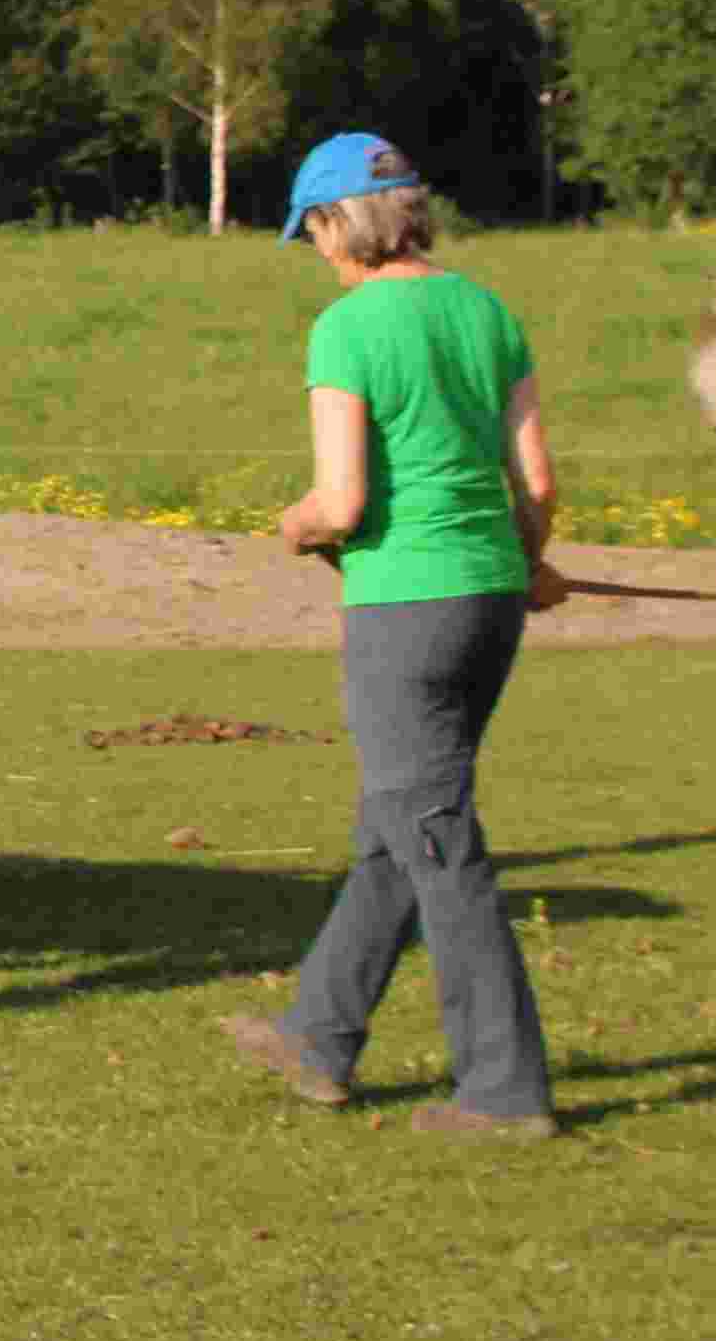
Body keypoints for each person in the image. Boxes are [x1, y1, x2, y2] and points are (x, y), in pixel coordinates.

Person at [228, 135, 571, 1133]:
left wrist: (296, 525)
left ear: (342, 222)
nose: (318, 255)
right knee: (400, 821)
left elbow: (342, 501)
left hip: (402, 610)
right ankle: (319, 1033)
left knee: (436, 838)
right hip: (490, 604)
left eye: (316, 235)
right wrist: (529, 561)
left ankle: (505, 1092)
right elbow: (538, 482)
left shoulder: (347, 329)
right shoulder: (489, 311)